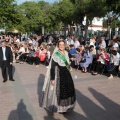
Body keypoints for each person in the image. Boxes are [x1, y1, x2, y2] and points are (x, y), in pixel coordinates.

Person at [41, 40, 76, 113]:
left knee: (66, 90)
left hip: (66, 73)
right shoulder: (56, 54)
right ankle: (58, 108)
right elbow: (53, 67)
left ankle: (65, 108)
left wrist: (70, 66)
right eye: (60, 45)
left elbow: (67, 62)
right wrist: (53, 79)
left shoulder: (66, 53)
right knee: (58, 91)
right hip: (58, 73)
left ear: (65, 45)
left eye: (63, 44)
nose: (62, 46)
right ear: (58, 45)